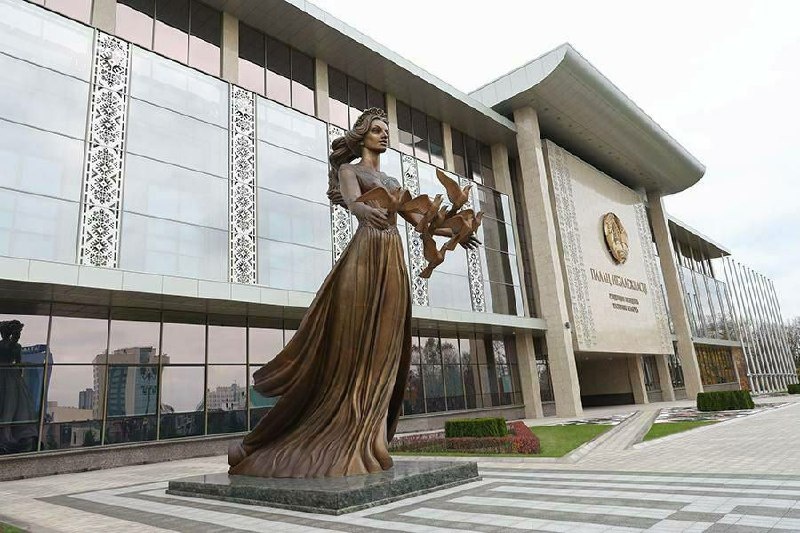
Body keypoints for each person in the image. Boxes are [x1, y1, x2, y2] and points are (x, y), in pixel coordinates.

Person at [228, 108, 477, 478]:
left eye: (385, 130)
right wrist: (362, 208)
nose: (383, 135)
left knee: (385, 345)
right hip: (365, 254)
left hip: (391, 257)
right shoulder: (350, 171)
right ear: (362, 137)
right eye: (376, 130)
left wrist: (457, 230)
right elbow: (353, 203)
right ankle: (291, 437)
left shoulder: (392, 181)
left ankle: (370, 437)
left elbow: (420, 221)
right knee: (350, 348)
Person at [0, 320, 38, 453]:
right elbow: (19, 363)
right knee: (11, 404)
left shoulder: (14, 346)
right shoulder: (15, 346)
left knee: (9, 404)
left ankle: (6, 435)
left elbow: (18, 362)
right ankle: (6, 434)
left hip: (9, 376)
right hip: (11, 376)